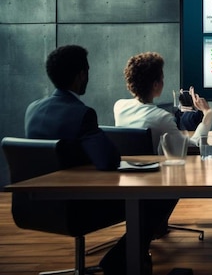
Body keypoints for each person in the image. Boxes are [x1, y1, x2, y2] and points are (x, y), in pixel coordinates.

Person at [24, 45, 176, 275]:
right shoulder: (82, 113)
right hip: (78, 208)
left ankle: (126, 256)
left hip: (34, 206)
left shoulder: (32, 109)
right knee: (157, 198)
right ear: (80, 75)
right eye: (87, 71)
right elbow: (108, 160)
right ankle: (119, 259)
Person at [113, 52, 212, 153]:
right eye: (162, 78)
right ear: (156, 85)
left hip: (127, 166)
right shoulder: (162, 119)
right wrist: (207, 114)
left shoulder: (119, 107)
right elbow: (190, 146)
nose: (163, 82)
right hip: (156, 168)